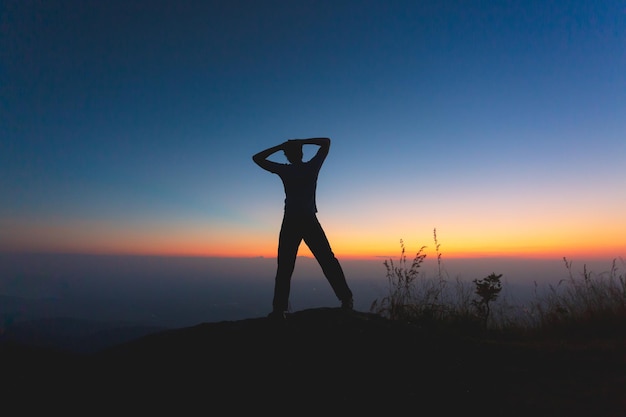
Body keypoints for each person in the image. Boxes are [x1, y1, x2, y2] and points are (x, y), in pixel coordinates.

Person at [252, 137, 353, 319]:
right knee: (327, 260)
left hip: (291, 221)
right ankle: (346, 299)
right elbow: (326, 142)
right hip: (308, 220)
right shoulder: (311, 167)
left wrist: (281, 146)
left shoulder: (285, 170)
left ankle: (279, 309)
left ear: (288, 156)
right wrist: (302, 142)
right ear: (301, 153)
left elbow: (257, 158)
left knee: (285, 266)